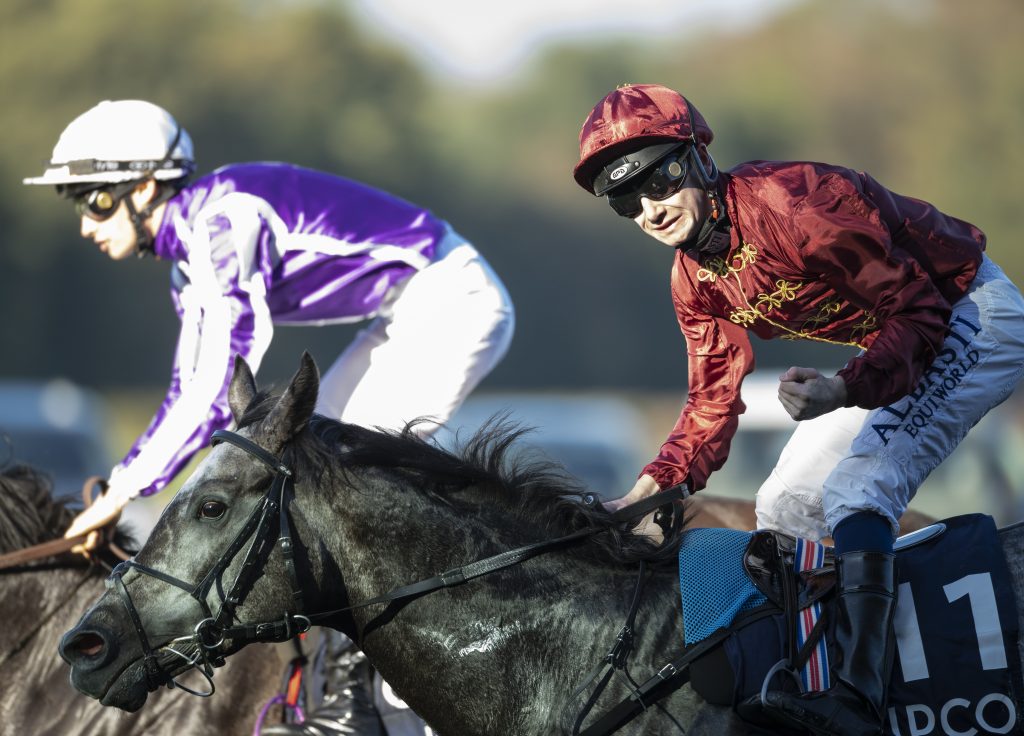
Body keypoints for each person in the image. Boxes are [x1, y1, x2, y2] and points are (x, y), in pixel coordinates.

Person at [25, 99, 515, 736]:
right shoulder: (188, 259)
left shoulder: (221, 224)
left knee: (334, 482)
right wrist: (128, 484)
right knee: (308, 464)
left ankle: (358, 698)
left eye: (93, 200)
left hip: (452, 301)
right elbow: (191, 385)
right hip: (408, 312)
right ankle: (331, 679)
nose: (86, 223)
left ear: (144, 187)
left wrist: (119, 493)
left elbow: (215, 384)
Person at [572, 83, 1024, 736]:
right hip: (895, 345)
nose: (650, 207)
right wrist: (655, 485)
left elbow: (921, 310)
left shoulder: (798, 203)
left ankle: (862, 700)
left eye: (660, 178)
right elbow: (712, 395)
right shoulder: (693, 279)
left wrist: (846, 389)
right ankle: (815, 685)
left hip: (970, 314)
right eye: (626, 198)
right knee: (785, 504)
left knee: (859, 486)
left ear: (698, 158)